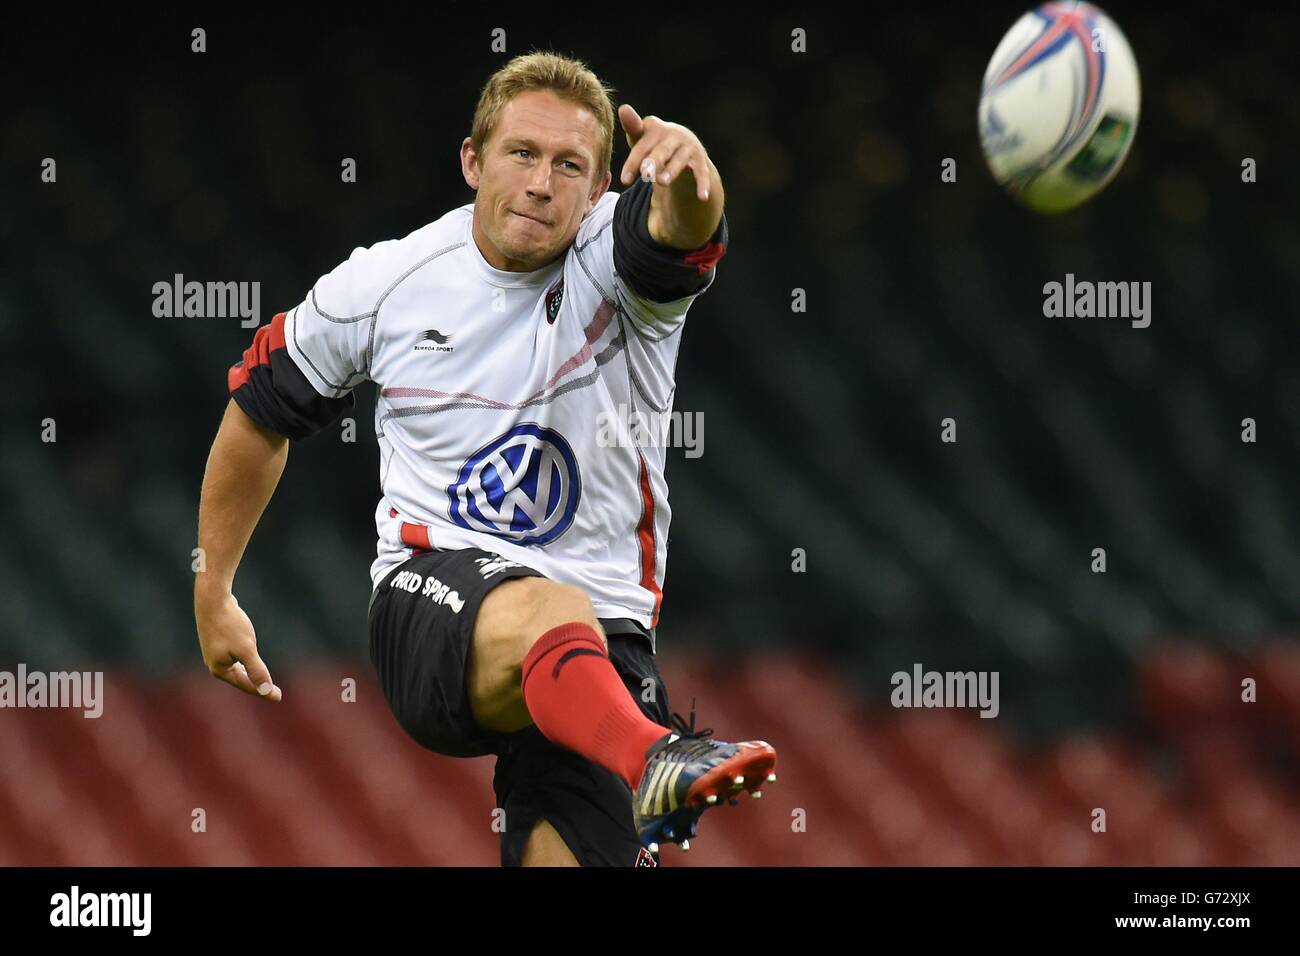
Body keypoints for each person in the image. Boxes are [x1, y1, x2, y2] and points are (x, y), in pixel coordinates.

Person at [194, 50, 776, 867]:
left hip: (604, 651)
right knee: (551, 608)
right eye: (522, 154)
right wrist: (213, 588)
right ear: (473, 161)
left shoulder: (619, 266)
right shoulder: (386, 283)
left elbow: (682, 228)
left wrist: (692, 176)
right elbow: (259, 411)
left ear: (604, 186)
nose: (542, 182)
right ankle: (653, 760)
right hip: (429, 604)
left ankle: (635, 752)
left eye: (570, 164)